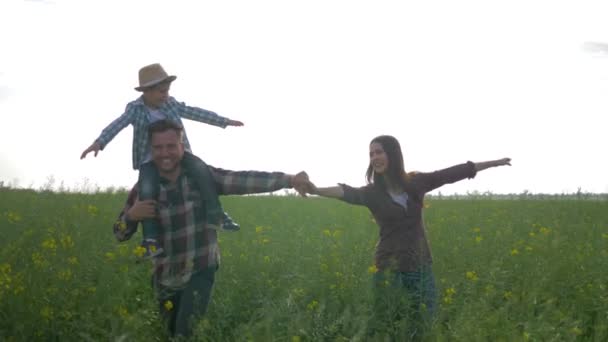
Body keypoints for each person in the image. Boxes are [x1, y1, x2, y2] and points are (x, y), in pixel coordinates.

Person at [112, 119, 311, 338]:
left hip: (200, 268)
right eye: (158, 147)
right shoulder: (143, 188)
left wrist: (289, 180)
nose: (165, 153)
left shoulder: (202, 177)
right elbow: (119, 233)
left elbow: (242, 180)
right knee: (168, 334)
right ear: (151, 149)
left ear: (182, 146)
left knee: (184, 333)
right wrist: (131, 216)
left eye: (171, 146)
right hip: (164, 276)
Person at [305, 135, 511, 339]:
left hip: (421, 266)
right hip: (388, 270)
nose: (374, 158)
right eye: (371, 154)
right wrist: (315, 189)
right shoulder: (371, 193)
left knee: (423, 324)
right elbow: (344, 191)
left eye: (379, 152)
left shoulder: (417, 182)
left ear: (393, 154)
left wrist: (494, 163)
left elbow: (451, 173)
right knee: (388, 325)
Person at [81, 63, 244, 258]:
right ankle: (150, 240)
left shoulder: (170, 103)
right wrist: (99, 142)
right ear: (147, 92)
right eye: (160, 92)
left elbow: (194, 112)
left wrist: (223, 121)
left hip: (179, 155)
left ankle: (216, 215)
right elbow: (117, 124)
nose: (165, 95)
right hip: (149, 161)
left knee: (202, 170)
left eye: (167, 91)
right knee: (147, 192)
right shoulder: (135, 109)